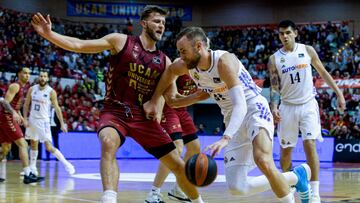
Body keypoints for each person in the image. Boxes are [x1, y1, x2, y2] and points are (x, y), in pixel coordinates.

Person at [32, 6, 204, 203]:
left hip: (142, 118)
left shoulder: (164, 61)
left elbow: (173, 100)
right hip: (115, 111)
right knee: (108, 142)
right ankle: (109, 198)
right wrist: (49, 33)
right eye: (157, 21)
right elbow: (79, 45)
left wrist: (198, 96)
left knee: (178, 164)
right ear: (144, 23)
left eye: (163, 23)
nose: (161, 26)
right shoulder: (120, 41)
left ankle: (199, 201)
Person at [144, 27, 313, 203]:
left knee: (263, 160)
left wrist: (226, 138)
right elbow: (170, 72)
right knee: (238, 187)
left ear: (199, 46)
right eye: (180, 51)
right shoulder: (186, 65)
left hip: (253, 108)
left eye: (184, 51)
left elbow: (240, 104)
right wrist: (158, 100)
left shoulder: (224, 62)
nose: (181, 55)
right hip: (231, 116)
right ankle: (295, 177)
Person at [268, 20, 346, 203]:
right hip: (287, 106)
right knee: (286, 152)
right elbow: (274, 87)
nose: (284, 36)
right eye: (281, 33)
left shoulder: (308, 50)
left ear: (295, 33)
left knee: (309, 144)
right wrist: (273, 106)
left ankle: (315, 193)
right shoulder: (274, 59)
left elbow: (324, 72)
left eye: (288, 32)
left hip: (308, 104)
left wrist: (339, 93)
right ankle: (291, 189)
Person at [145, 75, 201, 203]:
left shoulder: (205, 69)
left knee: (195, 147)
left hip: (182, 109)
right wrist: (157, 113)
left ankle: (179, 188)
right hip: (168, 107)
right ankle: (154, 192)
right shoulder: (179, 65)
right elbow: (163, 88)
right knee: (176, 147)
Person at [23, 71, 75, 176]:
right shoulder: (32, 89)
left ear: (47, 79)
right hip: (32, 119)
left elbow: (57, 108)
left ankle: (67, 164)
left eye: (44, 76)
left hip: (44, 121)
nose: (42, 78)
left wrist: (62, 123)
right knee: (33, 143)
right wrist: (25, 118)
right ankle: (33, 168)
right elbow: (26, 104)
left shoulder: (51, 91)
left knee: (48, 146)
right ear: (39, 78)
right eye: (41, 76)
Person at [0, 67, 44, 184]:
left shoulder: (24, 88)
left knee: (5, 149)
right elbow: (5, 102)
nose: (27, 75)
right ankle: (27, 174)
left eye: (29, 73)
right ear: (19, 74)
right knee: (23, 144)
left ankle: (28, 173)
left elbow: (16, 105)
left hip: (8, 117)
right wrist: (14, 113)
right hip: (6, 117)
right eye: (25, 73)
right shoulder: (15, 86)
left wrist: (20, 116)